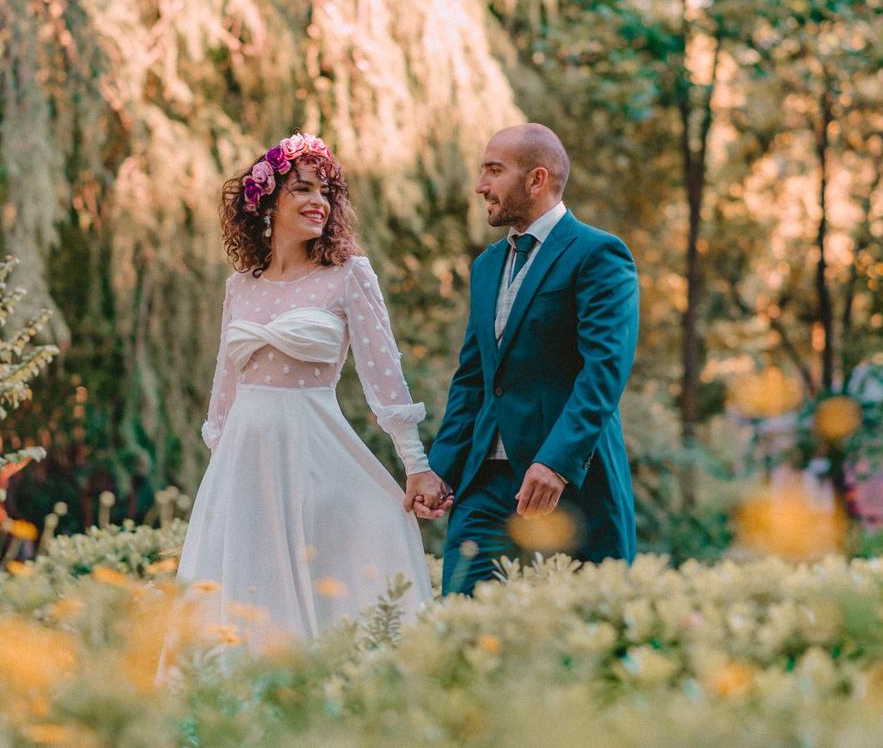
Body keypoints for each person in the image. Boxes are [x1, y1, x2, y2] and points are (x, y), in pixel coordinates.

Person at [174, 133, 452, 652]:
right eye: (302, 189)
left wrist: (415, 464)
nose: (317, 202)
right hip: (243, 462)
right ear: (267, 201)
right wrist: (220, 473)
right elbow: (224, 389)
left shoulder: (348, 275)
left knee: (331, 568)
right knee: (242, 585)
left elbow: (384, 378)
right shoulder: (241, 286)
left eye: (326, 192)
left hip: (313, 447)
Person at [428, 123, 640, 596]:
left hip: (568, 485)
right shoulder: (485, 267)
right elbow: (473, 379)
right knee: (463, 620)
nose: (481, 185)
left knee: (577, 640)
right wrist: (439, 469)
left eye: (493, 171)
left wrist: (557, 462)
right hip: (485, 485)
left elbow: (604, 370)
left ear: (536, 179)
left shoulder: (598, 254)